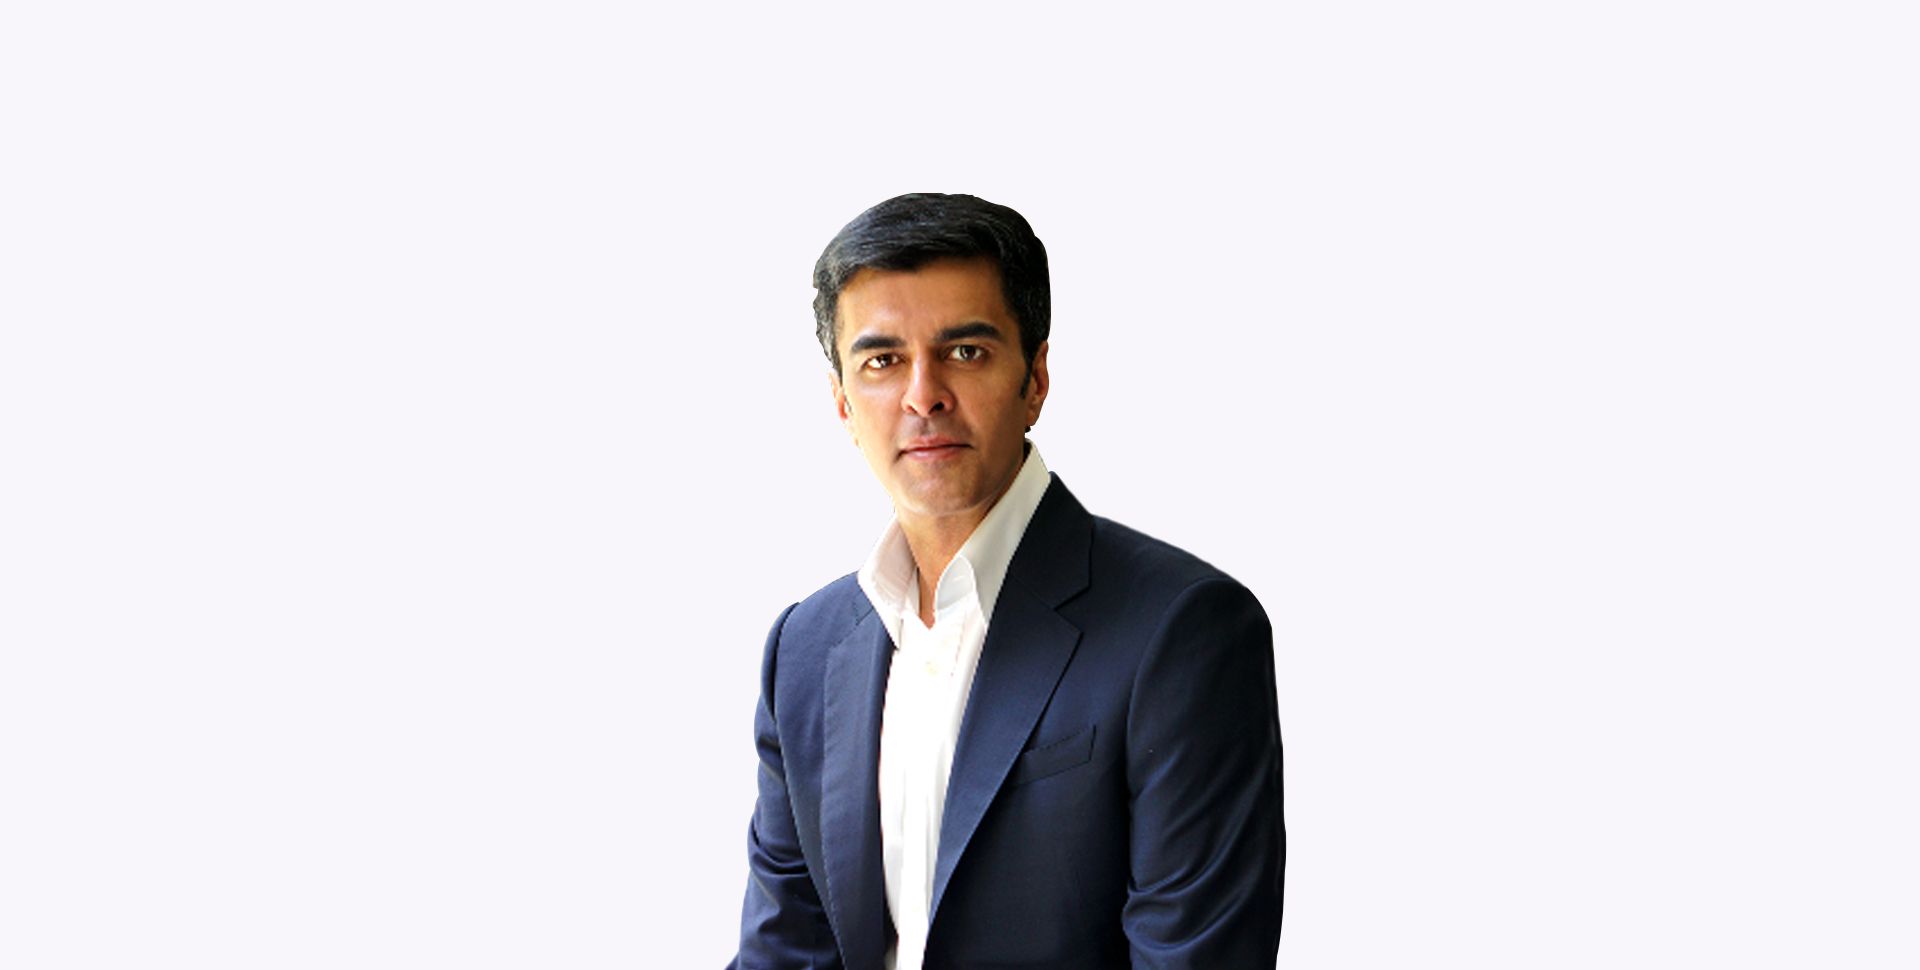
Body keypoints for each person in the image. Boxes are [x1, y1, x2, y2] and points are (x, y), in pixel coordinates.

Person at [728, 193, 1284, 969]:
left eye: (965, 352)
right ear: (843, 403)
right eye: (883, 361)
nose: (923, 394)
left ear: (1036, 379)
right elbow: (783, 953)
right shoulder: (804, 649)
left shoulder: (1183, 630)